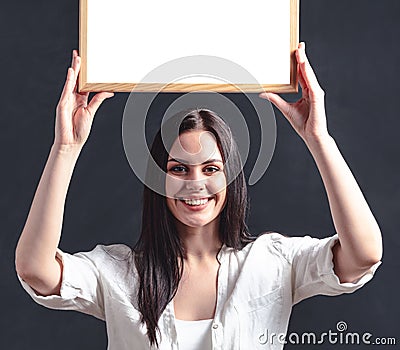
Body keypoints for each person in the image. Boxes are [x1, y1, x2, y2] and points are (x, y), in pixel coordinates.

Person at [15, 43, 382, 350]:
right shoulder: (121, 273)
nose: (195, 183)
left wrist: (319, 140)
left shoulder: (272, 263)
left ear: (231, 178)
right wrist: (65, 148)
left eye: (210, 169)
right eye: (178, 169)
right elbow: (35, 269)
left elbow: (364, 254)